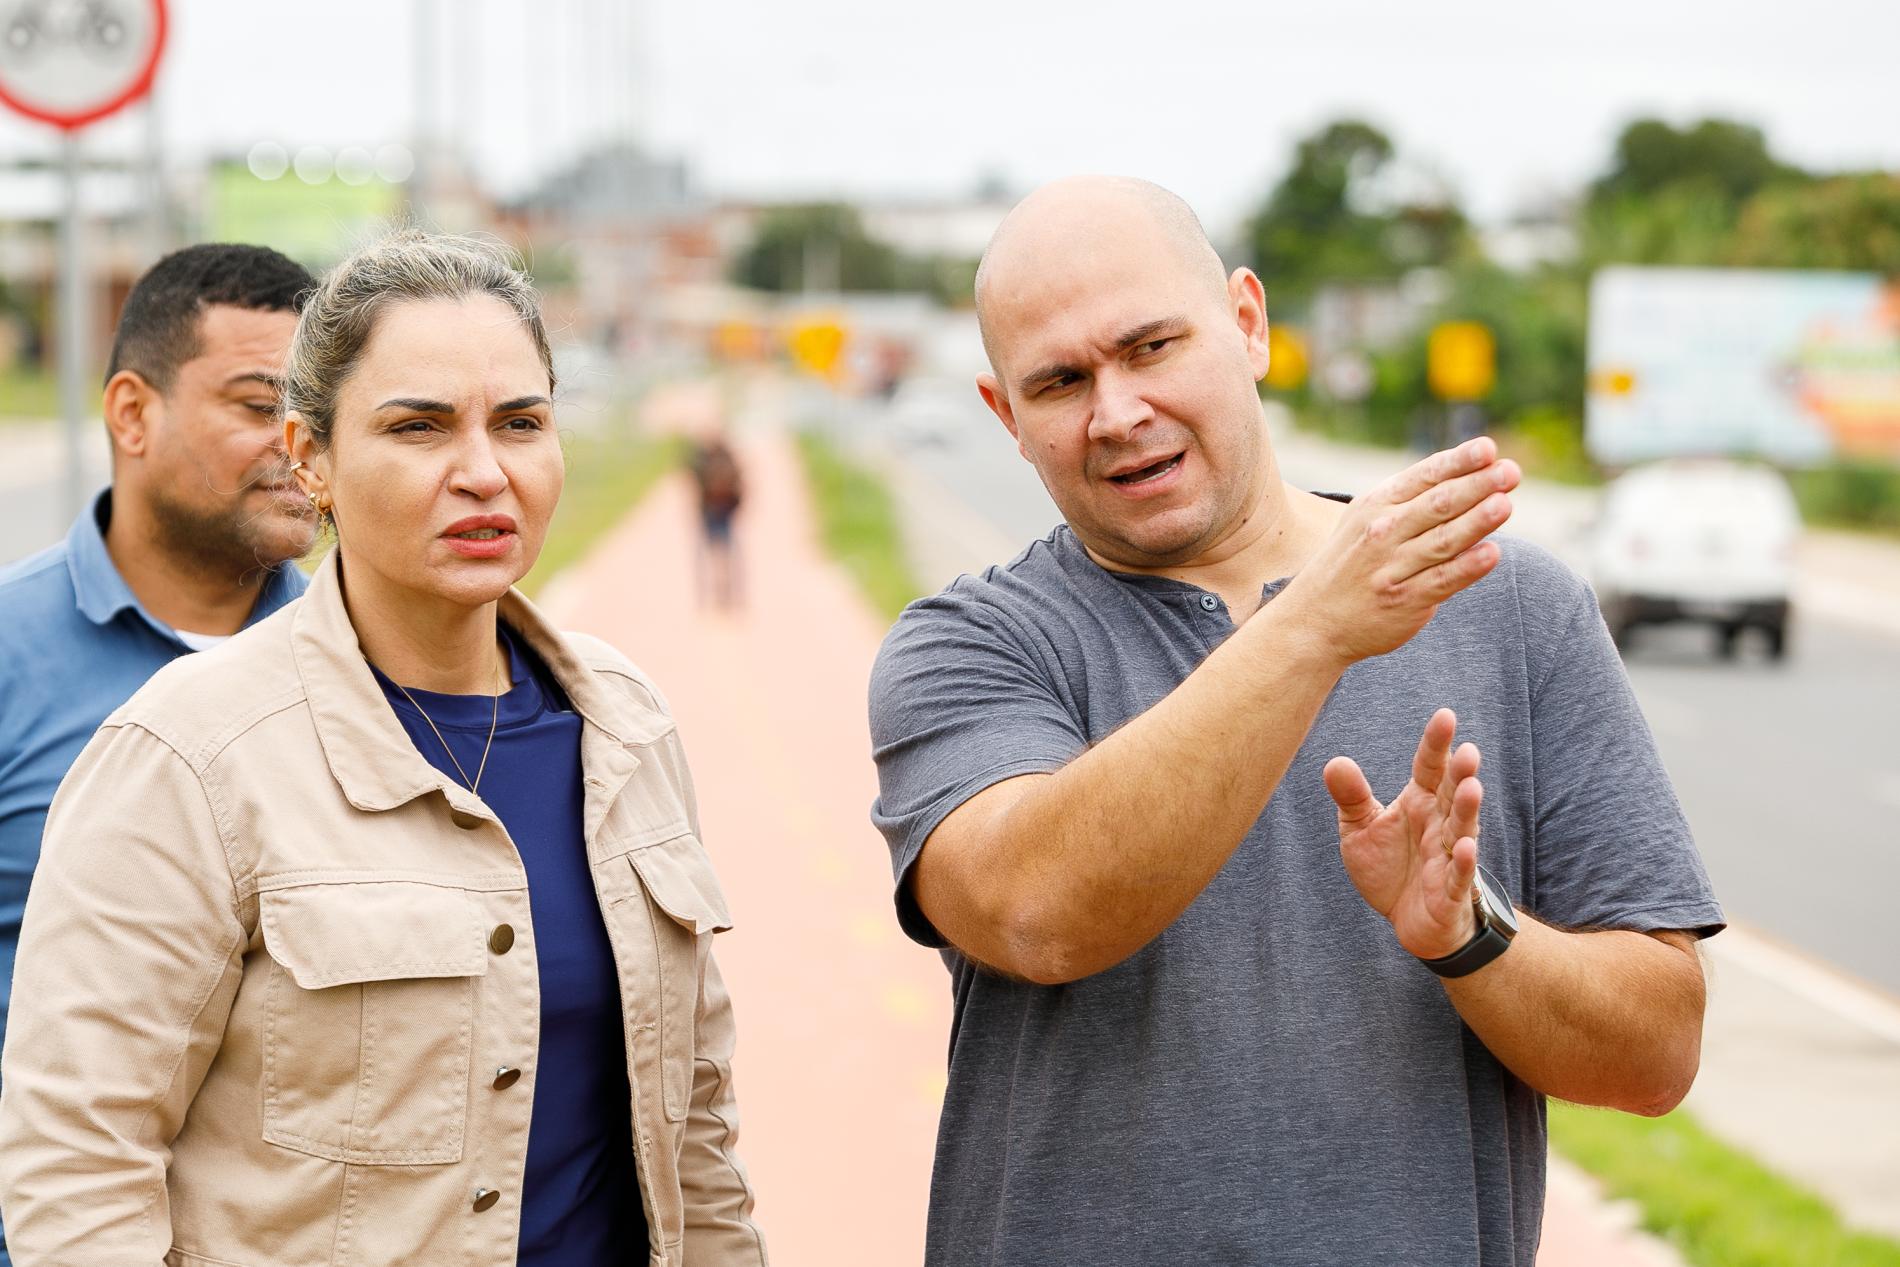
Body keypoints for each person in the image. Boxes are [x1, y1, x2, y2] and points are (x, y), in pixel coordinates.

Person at [867, 177, 1721, 1267]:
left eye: (1151, 347)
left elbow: (1654, 1058)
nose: (1116, 412)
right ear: (1007, 419)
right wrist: (1316, 621)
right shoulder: (969, 645)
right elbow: (1038, 914)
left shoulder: (1509, 603)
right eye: (1060, 381)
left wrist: (1472, 934)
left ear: (1248, 324)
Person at [0, 232, 767, 1266]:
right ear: (309, 457)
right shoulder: (188, 753)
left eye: (521, 423)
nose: (484, 472)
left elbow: (697, 1137)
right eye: (418, 427)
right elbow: (79, 1166)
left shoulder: (626, 725)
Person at [0, 242, 316, 1267]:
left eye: (314, 412)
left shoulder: (368, 679)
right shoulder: (9, 654)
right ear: (132, 414)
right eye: (259, 403)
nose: (296, 446)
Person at [689, 429, 745, 610]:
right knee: (726, 556)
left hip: (715, 513)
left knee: (712, 557)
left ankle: (716, 597)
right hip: (719, 513)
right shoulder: (721, 457)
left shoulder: (704, 458)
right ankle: (724, 596)